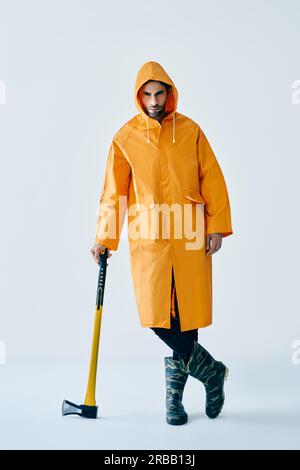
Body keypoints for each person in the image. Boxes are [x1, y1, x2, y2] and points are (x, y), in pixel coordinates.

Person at [90, 61, 233, 425]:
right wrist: (105, 237)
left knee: (186, 322)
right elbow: (113, 194)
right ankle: (213, 372)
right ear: (139, 96)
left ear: (169, 94)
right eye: (147, 94)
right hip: (150, 241)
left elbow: (211, 178)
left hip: (189, 238)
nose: (153, 100)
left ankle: (174, 403)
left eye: (159, 93)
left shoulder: (191, 132)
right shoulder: (125, 138)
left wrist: (216, 225)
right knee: (158, 319)